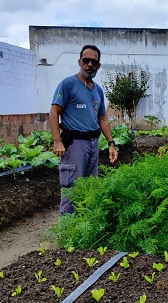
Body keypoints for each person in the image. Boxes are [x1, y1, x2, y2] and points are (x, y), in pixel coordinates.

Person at [49, 44, 118, 215]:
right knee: (72, 187)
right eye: (86, 60)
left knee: (90, 187)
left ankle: (83, 226)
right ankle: (67, 231)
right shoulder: (68, 84)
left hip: (93, 144)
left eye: (94, 62)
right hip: (74, 145)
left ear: (98, 66)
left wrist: (111, 144)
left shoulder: (98, 91)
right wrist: (57, 141)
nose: (89, 64)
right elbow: (53, 112)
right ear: (79, 62)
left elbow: (102, 119)